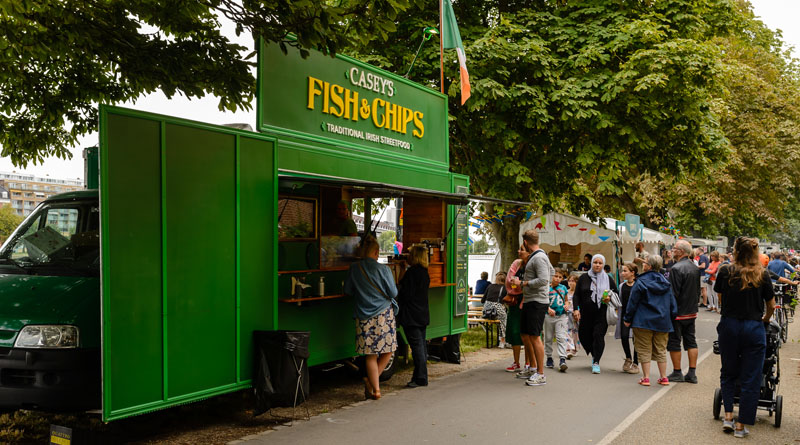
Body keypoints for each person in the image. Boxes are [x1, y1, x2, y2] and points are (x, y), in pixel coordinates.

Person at [714, 237, 775, 438]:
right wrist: (764, 319)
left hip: (730, 324)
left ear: (736, 252)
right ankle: (742, 425)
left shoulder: (725, 271)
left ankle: (729, 416)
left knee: (728, 371)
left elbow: (720, 297)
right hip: (753, 327)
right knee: (752, 376)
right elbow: (771, 305)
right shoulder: (762, 274)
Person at [344, 235, 398, 400]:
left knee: (370, 354)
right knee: (389, 350)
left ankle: (375, 389)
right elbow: (393, 293)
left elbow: (347, 291)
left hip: (363, 316)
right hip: (383, 316)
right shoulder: (383, 270)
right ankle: (374, 385)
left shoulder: (354, 268)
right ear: (376, 252)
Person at [624, 255, 677, 386]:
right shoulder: (666, 283)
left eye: (645, 262)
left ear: (650, 266)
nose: (643, 264)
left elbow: (633, 302)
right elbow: (673, 305)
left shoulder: (640, 282)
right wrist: (670, 317)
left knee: (643, 349)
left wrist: (627, 319)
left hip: (643, 321)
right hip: (662, 322)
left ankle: (646, 378)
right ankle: (664, 377)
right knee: (661, 349)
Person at [510, 230, 554, 386]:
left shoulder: (540, 257)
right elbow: (552, 272)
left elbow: (544, 279)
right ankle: (532, 367)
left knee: (535, 336)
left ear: (526, 243)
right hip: (530, 300)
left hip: (537, 301)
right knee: (526, 334)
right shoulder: (537, 257)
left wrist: (525, 283)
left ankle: (541, 374)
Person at [573, 254, 619, 374]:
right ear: (591, 263)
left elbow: (616, 293)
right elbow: (576, 294)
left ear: (603, 265)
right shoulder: (584, 278)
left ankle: (596, 361)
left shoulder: (608, 278)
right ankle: (594, 354)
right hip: (586, 313)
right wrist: (576, 309)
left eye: (600, 263)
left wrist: (609, 298)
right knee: (584, 336)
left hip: (601, 313)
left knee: (598, 336)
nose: (597, 265)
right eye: (595, 262)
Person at [396, 244, 430, 388]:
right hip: (422, 314)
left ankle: (421, 377)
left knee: (417, 348)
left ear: (414, 256)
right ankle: (419, 376)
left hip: (411, 315)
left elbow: (404, 292)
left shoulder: (411, 273)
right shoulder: (424, 273)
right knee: (421, 346)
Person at [667, 240, 700, 384]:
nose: (672, 251)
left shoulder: (676, 268)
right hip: (691, 310)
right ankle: (692, 373)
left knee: (674, 342)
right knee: (691, 341)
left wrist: (670, 310)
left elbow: (673, 293)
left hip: (679, 311)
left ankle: (677, 371)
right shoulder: (694, 267)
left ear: (680, 251)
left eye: (674, 249)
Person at [504, 245, 530, 373]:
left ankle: (528, 363)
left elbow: (533, 283)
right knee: (515, 332)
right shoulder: (516, 263)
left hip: (528, 302)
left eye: (522, 250)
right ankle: (516, 362)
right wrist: (520, 285)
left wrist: (520, 283)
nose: (519, 251)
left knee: (527, 334)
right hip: (515, 302)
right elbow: (509, 280)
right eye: (519, 249)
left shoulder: (533, 265)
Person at [543, 268, 570, 372]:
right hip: (548, 317)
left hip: (561, 316)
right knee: (548, 337)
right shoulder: (546, 288)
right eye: (556, 276)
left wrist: (567, 305)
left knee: (561, 337)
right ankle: (549, 357)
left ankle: (562, 359)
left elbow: (566, 300)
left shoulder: (563, 288)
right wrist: (548, 309)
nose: (558, 279)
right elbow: (543, 302)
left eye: (560, 277)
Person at [615, 262, 639, 374]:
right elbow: (619, 301)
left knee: (636, 340)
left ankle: (636, 363)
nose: (622, 273)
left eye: (625, 271)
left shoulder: (638, 285)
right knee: (624, 336)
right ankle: (628, 358)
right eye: (622, 271)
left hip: (637, 316)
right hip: (624, 316)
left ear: (632, 273)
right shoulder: (621, 286)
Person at [481, 272, 509, 348]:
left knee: (500, 320)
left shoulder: (490, 286)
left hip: (486, 311)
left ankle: (501, 340)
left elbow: (482, 300)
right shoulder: (505, 288)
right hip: (496, 309)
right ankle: (502, 341)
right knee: (504, 321)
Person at [565, 273, 579, 357]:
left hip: (576, 314)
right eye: (569, 281)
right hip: (567, 314)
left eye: (573, 281)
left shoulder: (578, 293)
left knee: (575, 333)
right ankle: (568, 349)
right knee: (567, 331)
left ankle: (575, 348)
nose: (571, 283)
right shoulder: (565, 292)